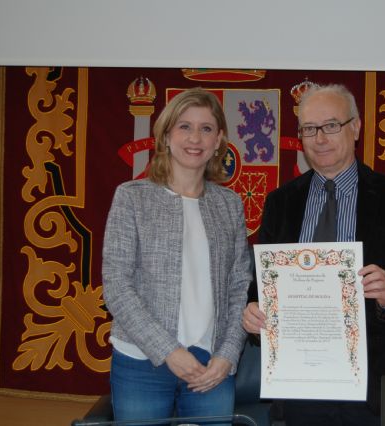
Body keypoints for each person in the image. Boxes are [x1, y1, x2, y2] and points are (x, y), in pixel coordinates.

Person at [242, 83, 385, 425]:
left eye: (331, 125)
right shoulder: (281, 203)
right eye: (309, 128)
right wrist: (253, 314)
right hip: (301, 385)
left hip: (377, 387)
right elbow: (262, 286)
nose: (320, 138)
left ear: (356, 127)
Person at [102, 88, 251, 425]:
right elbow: (117, 287)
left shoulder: (230, 205)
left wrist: (228, 355)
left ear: (218, 140)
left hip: (211, 367)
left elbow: (240, 287)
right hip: (142, 362)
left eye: (206, 128)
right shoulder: (132, 198)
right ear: (166, 136)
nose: (195, 138)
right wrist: (168, 350)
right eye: (184, 127)